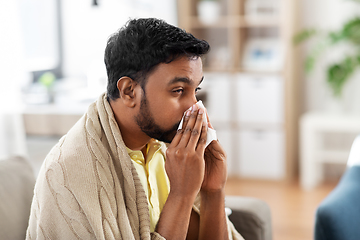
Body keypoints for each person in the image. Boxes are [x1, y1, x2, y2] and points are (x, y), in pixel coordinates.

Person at [26, 18, 243, 240]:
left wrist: (212, 192)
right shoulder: (73, 172)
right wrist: (181, 194)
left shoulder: (167, 148)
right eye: (178, 90)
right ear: (129, 91)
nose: (194, 106)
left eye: (195, 90)